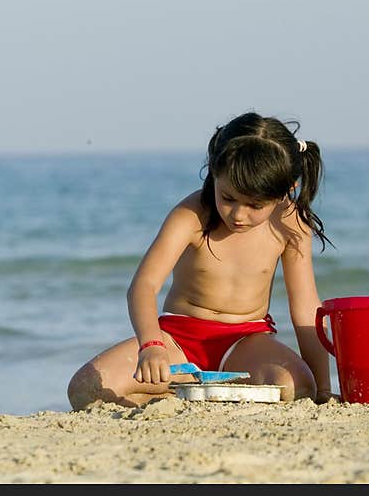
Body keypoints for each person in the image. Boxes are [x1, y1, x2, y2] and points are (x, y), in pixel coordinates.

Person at [67, 112, 334, 409]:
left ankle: (197, 392)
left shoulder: (291, 224)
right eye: (228, 197)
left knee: (296, 387)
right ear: (214, 173)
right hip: (178, 340)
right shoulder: (192, 215)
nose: (238, 215)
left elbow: (306, 307)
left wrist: (322, 388)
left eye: (255, 205)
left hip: (246, 341)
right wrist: (151, 344)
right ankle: (186, 390)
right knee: (84, 389)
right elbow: (143, 285)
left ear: (287, 190)